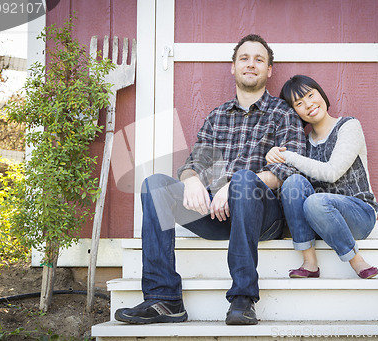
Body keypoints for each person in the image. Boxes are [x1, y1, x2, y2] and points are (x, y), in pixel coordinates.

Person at [114, 35, 306, 325]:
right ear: (233, 67)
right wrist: (190, 180)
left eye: (258, 59)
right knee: (155, 186)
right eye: (244, 58)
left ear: (268, 71)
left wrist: (234, 185)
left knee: (243, 179)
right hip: (217, 215)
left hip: (263, 217)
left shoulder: (283, 114)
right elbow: (195, 164)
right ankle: (164, 300)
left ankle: (243, 298)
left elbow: (286, 172)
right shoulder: (218, 116)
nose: (250, 64)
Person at [266, 75, 378, 280]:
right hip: (318, 220)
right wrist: (272, 156)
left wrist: (289, 156)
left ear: (321, 94)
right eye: (299, 103)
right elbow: (294, 186)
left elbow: (332, 172)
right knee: (293, 183)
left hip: (359, 215)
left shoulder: (348, 126)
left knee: (316, 201)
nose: (309, 104)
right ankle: (309, 262)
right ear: (295, 112)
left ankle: (356, 260)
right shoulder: (303, 144)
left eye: (311, 95)